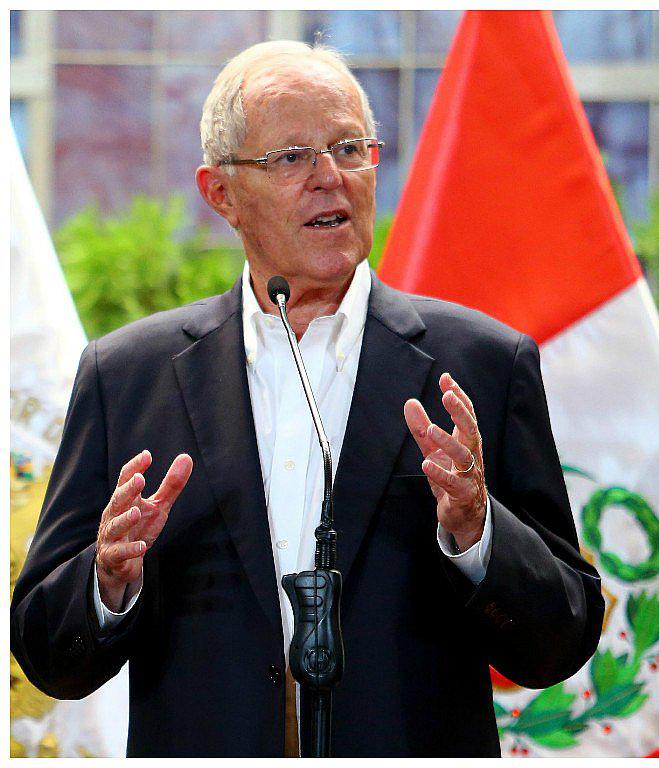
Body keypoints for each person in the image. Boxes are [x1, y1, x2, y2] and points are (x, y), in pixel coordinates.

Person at [10, 41, 603, 756]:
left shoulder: (480, 363)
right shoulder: (127, 376)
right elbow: (48, 654)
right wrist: (104, 581)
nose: (330, 178)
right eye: (291, 157)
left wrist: (480, 532)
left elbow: (561, 641)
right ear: (221, 193)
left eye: (349, 148)